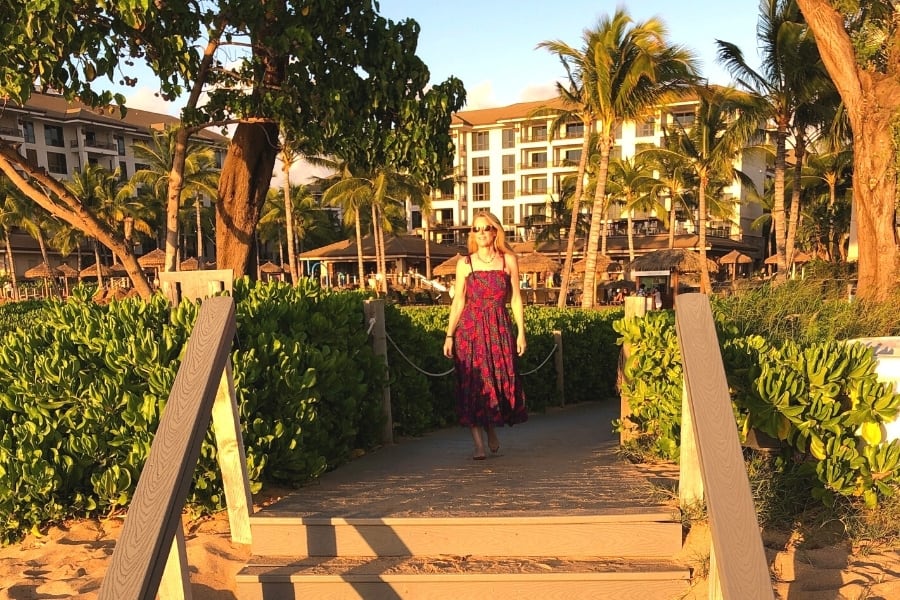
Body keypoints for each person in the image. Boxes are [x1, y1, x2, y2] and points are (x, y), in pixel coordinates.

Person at [443, 211, 528, 460]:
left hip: (499, 328)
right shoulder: (464, 263)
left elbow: (515, 299)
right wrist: (449, 335)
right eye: (476, 229)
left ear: (495, 232)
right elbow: (459, 300)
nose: (480, 233)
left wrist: (521, 332)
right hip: (470, 330)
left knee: (495, 381)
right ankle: (478, 443)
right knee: (472, 384)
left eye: (485, 228)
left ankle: (491, 427)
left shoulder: (508, 261)